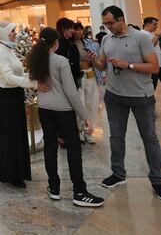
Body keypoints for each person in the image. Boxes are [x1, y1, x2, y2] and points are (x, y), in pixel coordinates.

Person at [95, 6, 161, 201]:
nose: (108, 27)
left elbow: (154, 67)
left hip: (141, 96)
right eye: (105, 23)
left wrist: (127, 65)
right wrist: (94, 60)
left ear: (121, 19)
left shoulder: (141, 38)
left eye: (111, 23)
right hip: (114, 95)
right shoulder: (106, 39)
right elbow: (103, 65)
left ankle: (157, 180)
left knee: (150, 138)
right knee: (116, 136)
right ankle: (118, 173)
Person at [28, 27, 104, 207]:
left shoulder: (36, 60)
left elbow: (34, 82)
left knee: (50, 147)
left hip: (44, 108)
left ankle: (53, 187)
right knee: (74, 149)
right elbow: (71, 92)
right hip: (63, 110)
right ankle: (79, 191)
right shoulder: (61, 61)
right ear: (56, 42)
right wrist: (84, 116)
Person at [0, 21, 37, 187]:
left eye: (14, 31)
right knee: (10, 135)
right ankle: (11, 174)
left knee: (17, 134)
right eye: (12, 31)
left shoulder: (7, 49)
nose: (15, 34)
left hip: (14, 94)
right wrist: (33, 83)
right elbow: (8, 78)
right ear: (3, 33)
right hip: (6, 97)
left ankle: (16, 171)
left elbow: (18, 72)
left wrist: (28, 77)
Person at [72, 22, 100, 143]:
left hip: (91, 74)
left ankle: (89, 131)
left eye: (80, 30)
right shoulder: (70, 45)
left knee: (92, 104)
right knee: (80, 104)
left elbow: (98, 60)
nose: (79, 32)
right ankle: (79, 130)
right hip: (78, 77)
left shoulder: (90, 43)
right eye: (76, 29)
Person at [55, 18, 81, 88]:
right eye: (71, 28)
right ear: (63, 28)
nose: (73, 30)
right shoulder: (60, 44)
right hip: (66, 80)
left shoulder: (67, 41)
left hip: (68, 78)